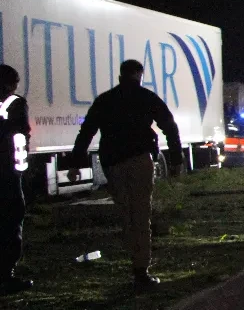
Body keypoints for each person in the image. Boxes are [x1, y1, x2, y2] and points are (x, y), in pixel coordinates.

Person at [70, 59, 183, 289]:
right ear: (140, 75)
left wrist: (74, 163)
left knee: (126, 214)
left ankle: (135, 262)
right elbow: (169, 125)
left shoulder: (105, 100)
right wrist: (175, 159)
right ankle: (141, 270)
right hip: (140, 160)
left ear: (121, 75)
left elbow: (87, 131)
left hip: (113, 163)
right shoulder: (146, 97)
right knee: (141, 213)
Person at [0, 64, 33, 294]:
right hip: (7, 173)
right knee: (12, 219)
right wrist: (21, 167)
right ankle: (6, 275)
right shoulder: (16, 104)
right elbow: (21, 135)